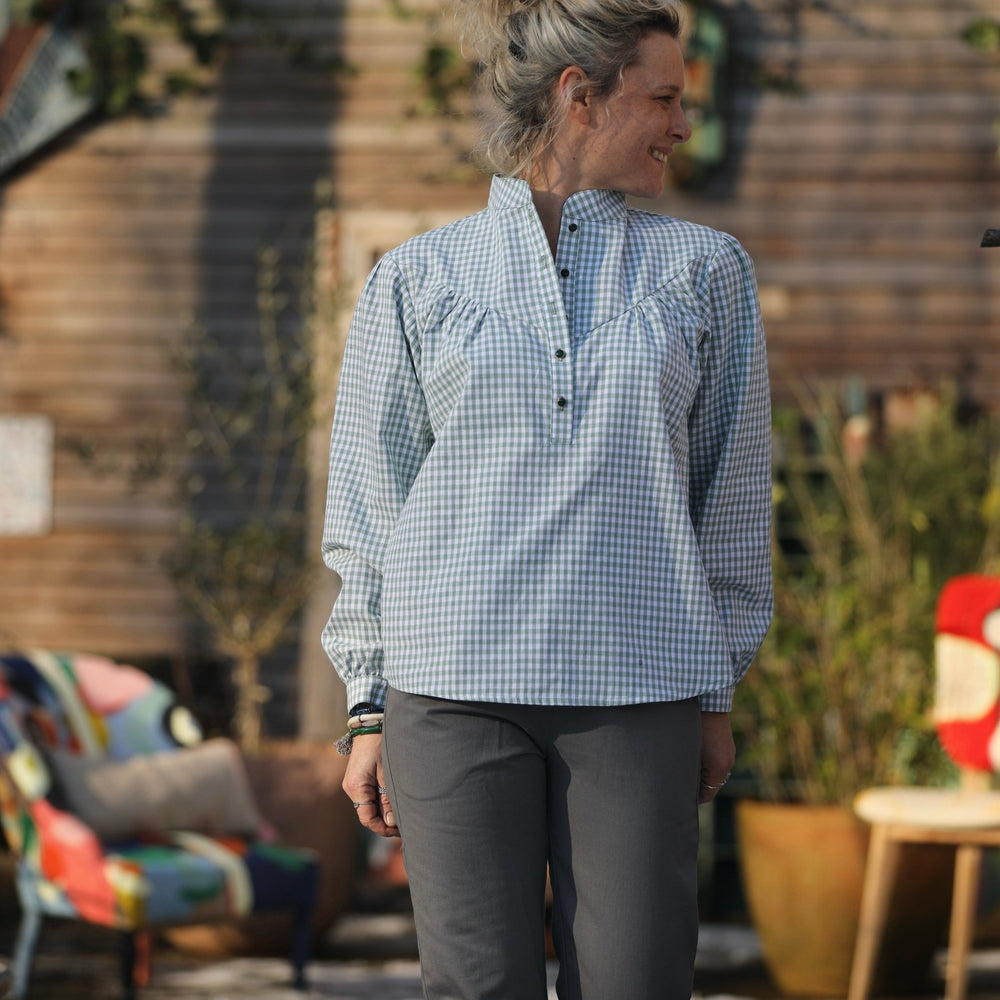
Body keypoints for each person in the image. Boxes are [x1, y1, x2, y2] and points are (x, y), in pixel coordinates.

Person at [321, 1, 772, 997]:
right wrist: (368, 705)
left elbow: (731, 502)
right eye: (663, 97)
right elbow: (369, 507)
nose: (682, 125)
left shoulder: (706, 271)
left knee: (636, 984)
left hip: (639, 689)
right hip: (450, 691)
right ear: (580, 96)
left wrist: (716, 689)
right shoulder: (416, 279)